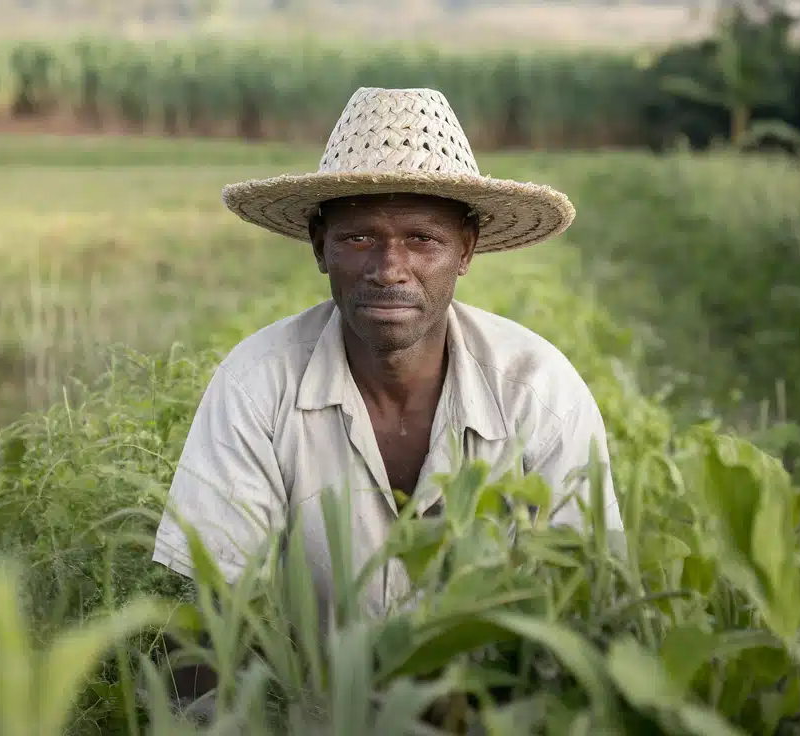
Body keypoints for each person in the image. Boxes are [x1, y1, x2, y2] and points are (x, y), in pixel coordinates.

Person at [150, 86, 624, 624]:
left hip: (497, 705)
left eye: (423, 239)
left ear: (465, 249)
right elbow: (212, 622)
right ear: (318, 245)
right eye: (357, 239)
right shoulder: (257, 386)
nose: (389, 268)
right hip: (305, 702)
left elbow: (587, 606)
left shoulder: (539, 392)